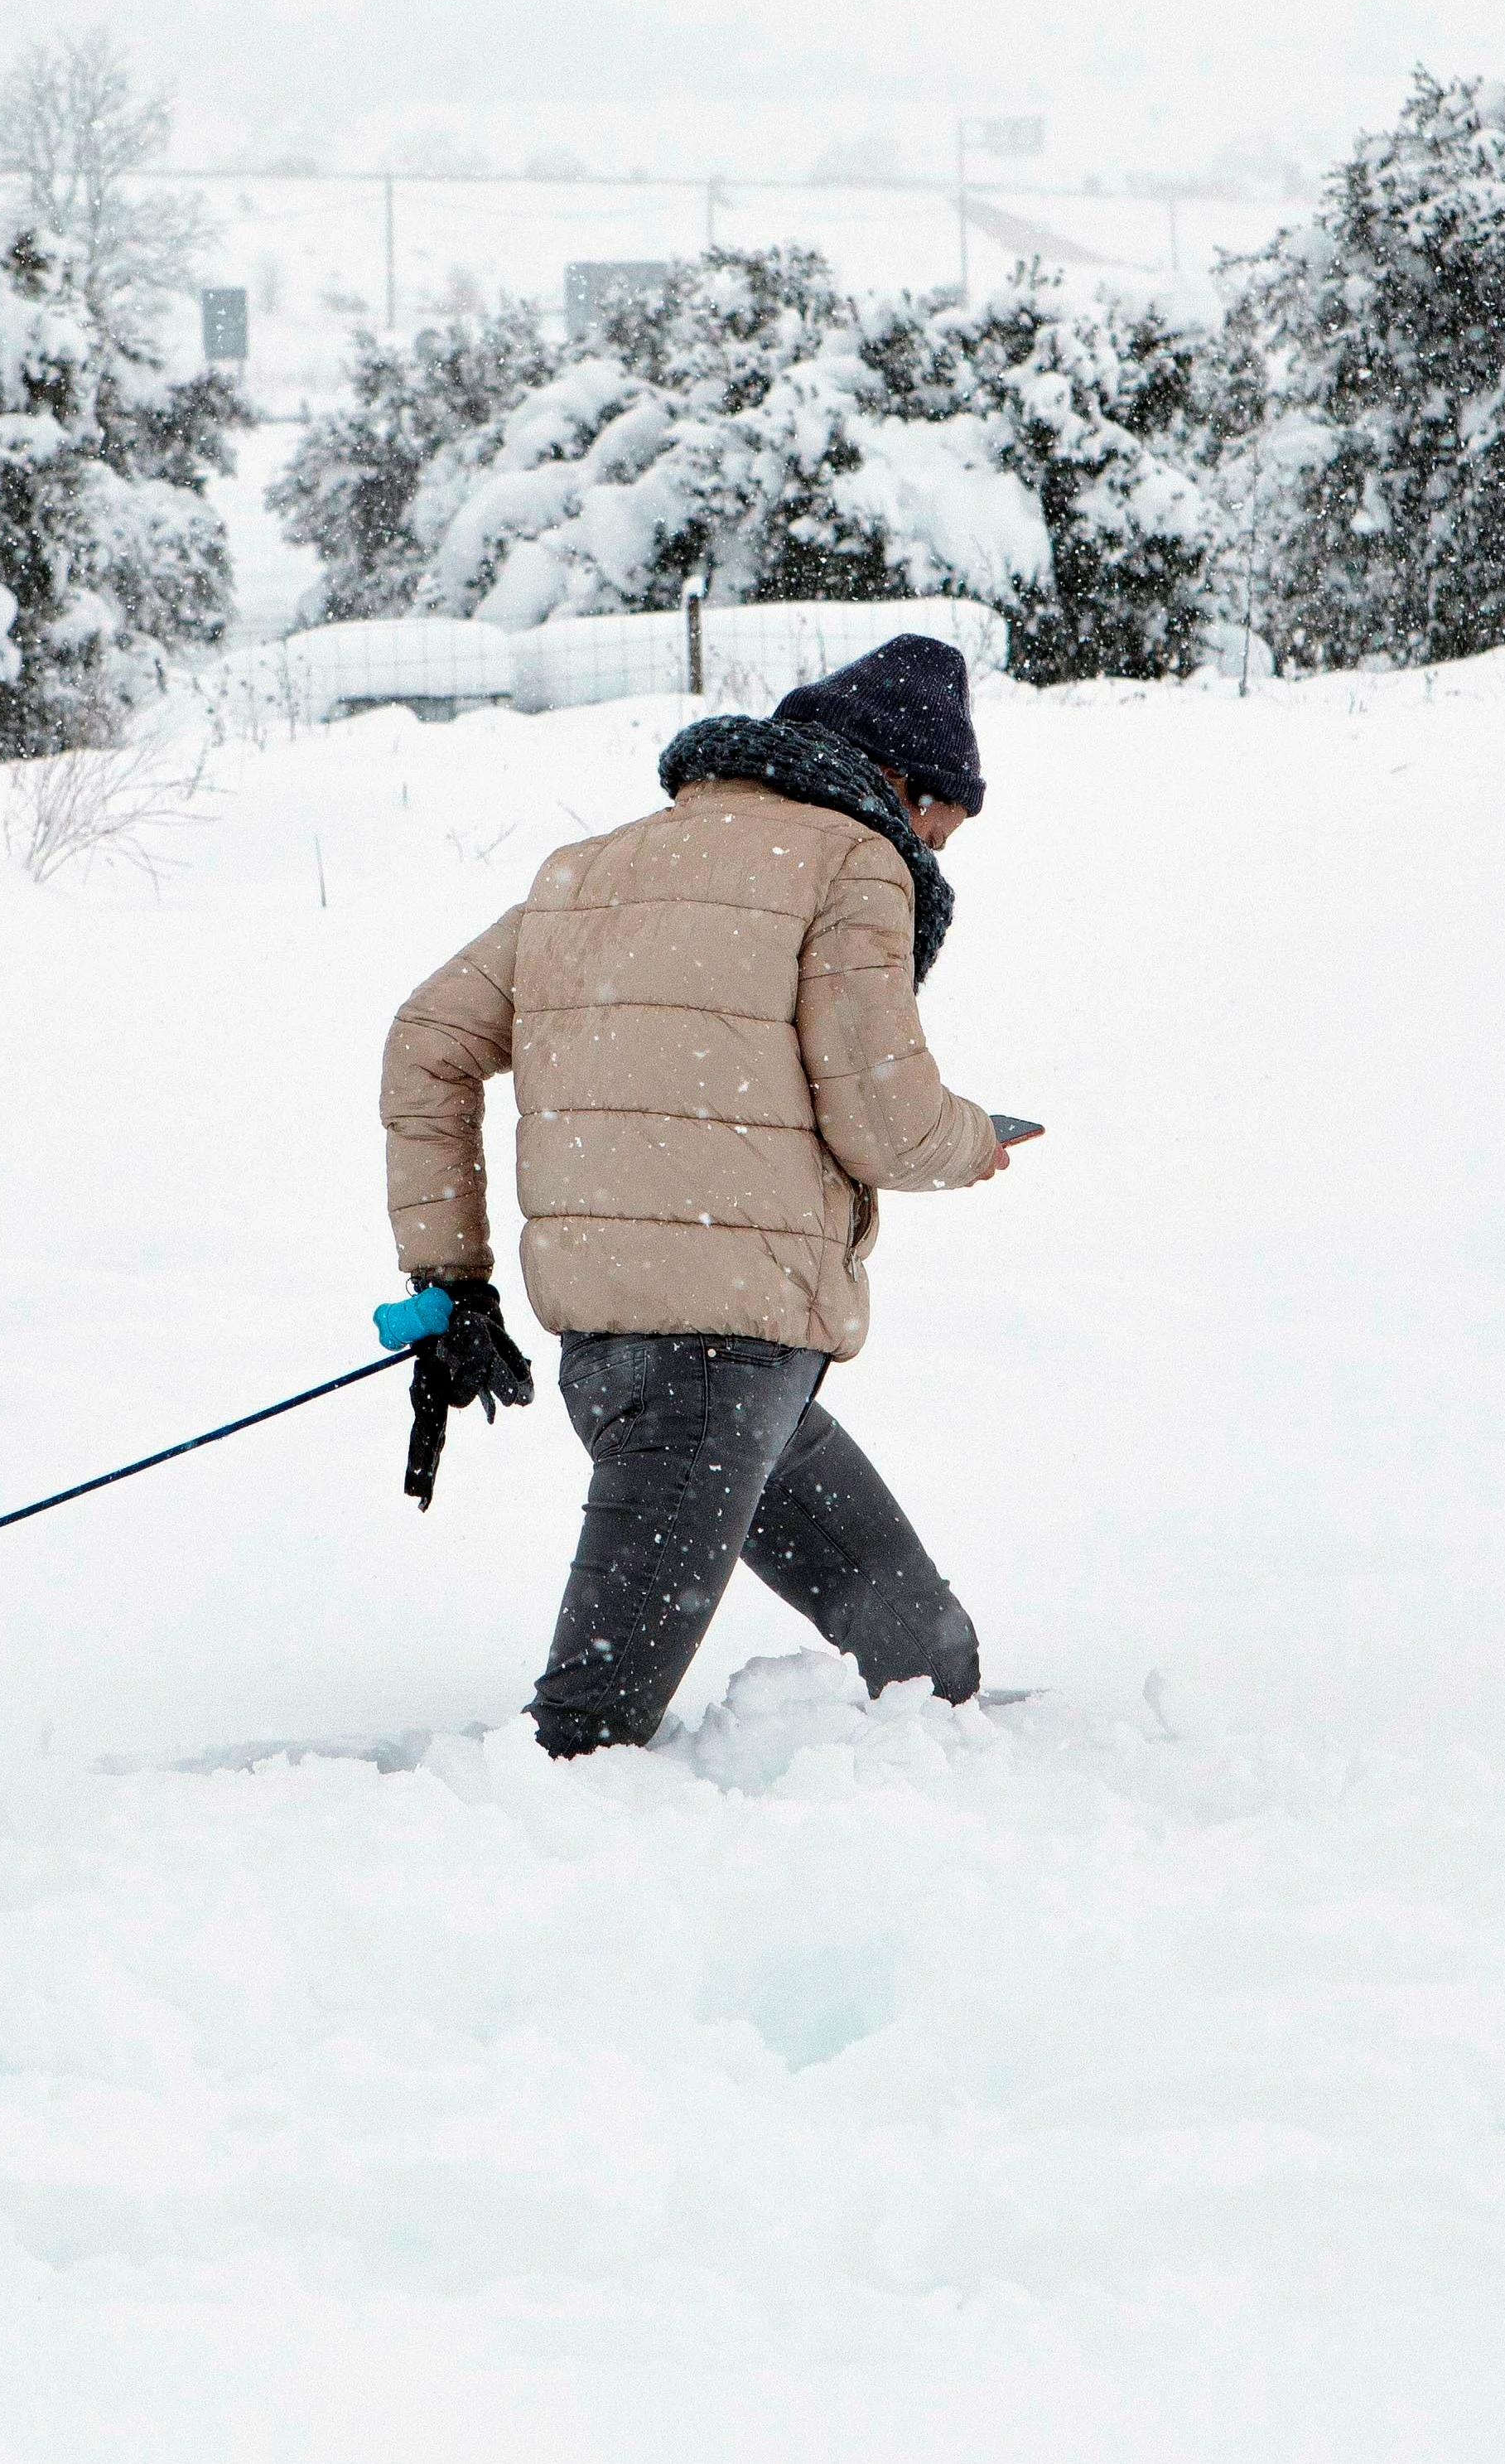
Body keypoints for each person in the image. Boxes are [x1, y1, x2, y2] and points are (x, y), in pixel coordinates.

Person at [374, 634, 1025, 1757]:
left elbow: (426, 1042)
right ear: (902, 782)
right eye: (940, 826)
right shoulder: (853, 861)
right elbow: (885, 1121)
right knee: (584, 1744)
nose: (930, 851)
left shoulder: (590, 867)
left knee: (926, 1657)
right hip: (718, 1365)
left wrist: (453, 1282)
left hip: (650, 1364)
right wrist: (974, 1143)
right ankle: (469, 1899)